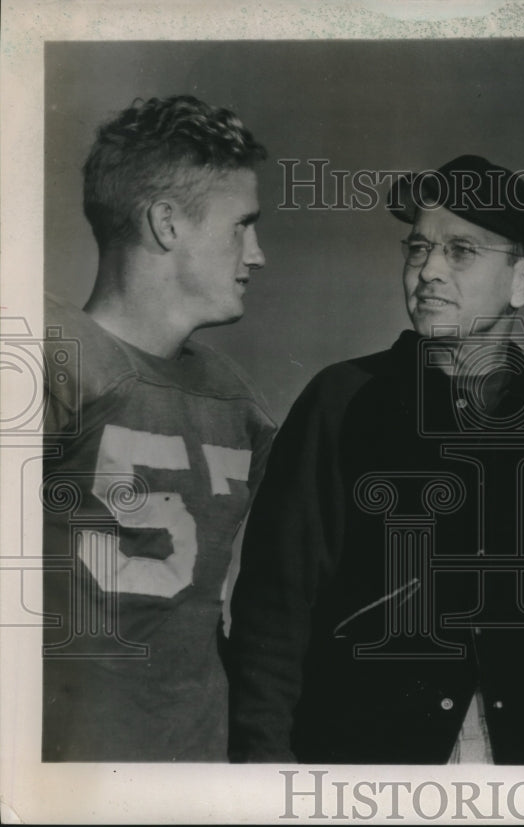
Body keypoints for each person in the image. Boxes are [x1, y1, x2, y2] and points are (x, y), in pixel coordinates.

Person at [228, 155, 524, 764]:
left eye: (461, 251)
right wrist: (267, 777)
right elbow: (273, 613)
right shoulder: (342, 402)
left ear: (523, 281)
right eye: (417, 248)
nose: (427, 271)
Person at [42, 95, 275, 761]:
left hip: (201, 762)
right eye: (241, 226)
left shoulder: (239, 403)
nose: (256, 255)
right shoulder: (49, 358)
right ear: (167, 223)